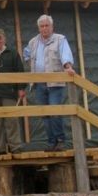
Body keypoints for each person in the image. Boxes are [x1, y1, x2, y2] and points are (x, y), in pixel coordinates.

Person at [23, 15, 75, 151]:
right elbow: (26, 53)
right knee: (45, 113)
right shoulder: (33, 42)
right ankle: (51, 142)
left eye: (47, 26)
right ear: (39, 28)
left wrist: (68, 67)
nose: (44, 28)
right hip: (39, 83)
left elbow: (65, 55)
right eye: (42, 26)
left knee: (55, 111)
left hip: (55, 82)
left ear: (52, 27)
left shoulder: (60, 39)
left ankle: (60, 140)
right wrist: (30, 62)